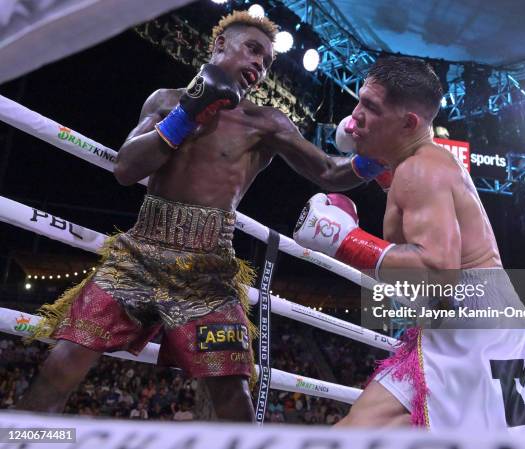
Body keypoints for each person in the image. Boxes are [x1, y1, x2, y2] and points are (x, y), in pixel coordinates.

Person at [19, 11, 371, 421]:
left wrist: (379, 157)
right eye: (253, 50)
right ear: (220, 45)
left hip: (207, 271)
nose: (260, 65)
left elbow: (329, 171)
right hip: (138, 256)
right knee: (61, 364)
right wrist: (189, 113)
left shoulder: (266, 123)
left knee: (230, 392)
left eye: (267, 62)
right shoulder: (166, 100)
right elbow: (126, 168)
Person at [294, 56, 525, 431]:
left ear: (408, 123)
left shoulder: (420, 170)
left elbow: (439, 273)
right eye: (360, 100)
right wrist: (369, 156)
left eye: (371, 107)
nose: (355, 114)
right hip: (477, 328)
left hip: (477, 339)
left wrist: (344, 240)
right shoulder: (417, 163)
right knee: (361, 427)